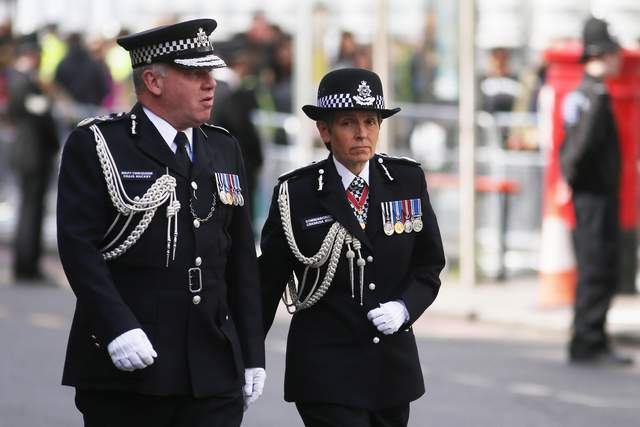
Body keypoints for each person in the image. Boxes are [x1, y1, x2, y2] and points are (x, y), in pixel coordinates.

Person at [56, 19, 266, 426]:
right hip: (133, 363)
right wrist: (116, 327)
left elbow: (240, 258)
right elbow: (78, 247)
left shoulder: (223, 147)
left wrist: (252, 352)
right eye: (195, 74)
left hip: (211, 366)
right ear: (153, 80)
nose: (211, 84)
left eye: (211, 72)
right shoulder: (100, 144)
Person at [259, 68, 445, 426]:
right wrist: (248, 358)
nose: (363, 133)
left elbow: (429, 266)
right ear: (324, 131)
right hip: (326, 372)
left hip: (391, 370)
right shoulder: (296, 194)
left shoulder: (405, 181)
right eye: (348, 122)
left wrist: (404, 308)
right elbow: (266, 284)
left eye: (371, 121)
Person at [560, 17, 633, 366]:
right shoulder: (596, 95)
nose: (620, 59)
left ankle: (594, 337)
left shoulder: (583, 94)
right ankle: (587, 341)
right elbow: (580, 146)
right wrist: (571, 179)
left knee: (600, 265)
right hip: (594, 197)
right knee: (596, 267)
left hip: (592, 196)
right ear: (602, 54)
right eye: (615, 52)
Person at [7, 32, 59, 282]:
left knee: (32, 210)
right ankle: (27, 265)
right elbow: (40, 116)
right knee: (31, 211)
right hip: (33, 154)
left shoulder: (23, 79)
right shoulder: (23, 80)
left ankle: (27, 263)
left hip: (31, 153)